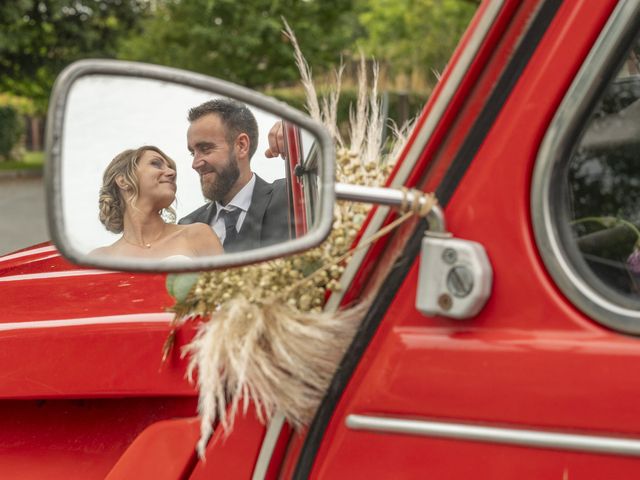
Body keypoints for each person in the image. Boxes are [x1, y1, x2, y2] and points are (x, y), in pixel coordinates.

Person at [179, 99, 290, 253]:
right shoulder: (186, 227)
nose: (195, 163)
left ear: (241, 146)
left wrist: (300, 136)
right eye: (193, 153)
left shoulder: (290, 194)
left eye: (206, 149)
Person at [92, 145, 223, 259]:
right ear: (123, 181)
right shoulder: (100, 258)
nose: (172, 172)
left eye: (171, 168)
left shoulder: (198, 235)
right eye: (156, 163)